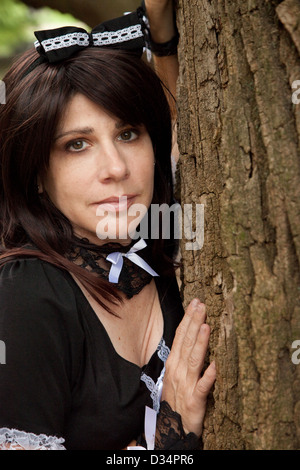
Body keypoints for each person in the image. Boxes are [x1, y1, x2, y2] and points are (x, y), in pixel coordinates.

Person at [0, 0, 216, 450]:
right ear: (36, 174)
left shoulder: (162, 236)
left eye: (128, 134)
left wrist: (163, 35)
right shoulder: (25, 298)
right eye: (77, 145)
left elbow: (195, 138)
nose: (115, 168)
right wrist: (170, 436)